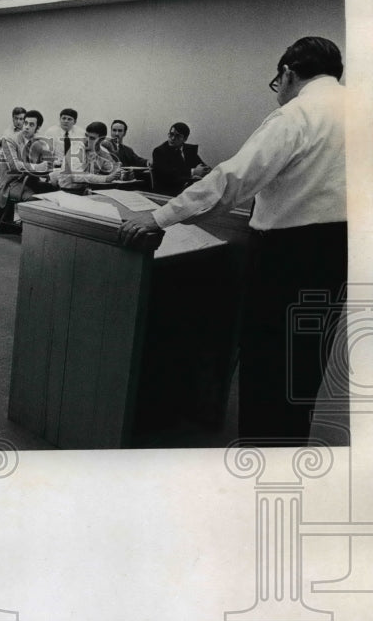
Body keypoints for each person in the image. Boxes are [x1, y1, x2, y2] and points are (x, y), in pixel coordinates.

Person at [120, 36, 347, 445]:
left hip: (288, 257)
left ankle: (263, 454)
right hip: (341, 254)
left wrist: (159, 217)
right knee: (305, 361)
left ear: (288, 73)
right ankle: (292, 449)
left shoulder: (296, 115)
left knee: (268, 362)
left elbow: (232, 180)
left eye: (277, 82)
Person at [0, 109, 53, 225]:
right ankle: (29, 232)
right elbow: (15, 166)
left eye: (31, 125)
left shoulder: (42, 142)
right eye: (25, 123)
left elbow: (49, 166)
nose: (26, 127)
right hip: (11, 183)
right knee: (34, 199)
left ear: (38, 127)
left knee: (54, 194)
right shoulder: (9, 139)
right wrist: (39, 167)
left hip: (30, 180)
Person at [50, 121, 121, 190]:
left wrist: (118, 173)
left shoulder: (103, 153)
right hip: (65, 190)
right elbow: (77, 176)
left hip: (85, 191)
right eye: (86, 135)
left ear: (101, 140)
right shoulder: (77, 148)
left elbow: (114, 170)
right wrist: (106, 178)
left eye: (92, 138)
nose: (86, 140)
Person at [150, 122, 211, 196]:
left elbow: (201, 166)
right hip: (168, 192)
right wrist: (193, 172)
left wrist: (206, 170)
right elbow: (168, 175)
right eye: (171, 134)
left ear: (185, 139)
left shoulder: (189, 150)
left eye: (178, 136)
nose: (172, 138)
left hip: (188, 190)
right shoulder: (159, 151)